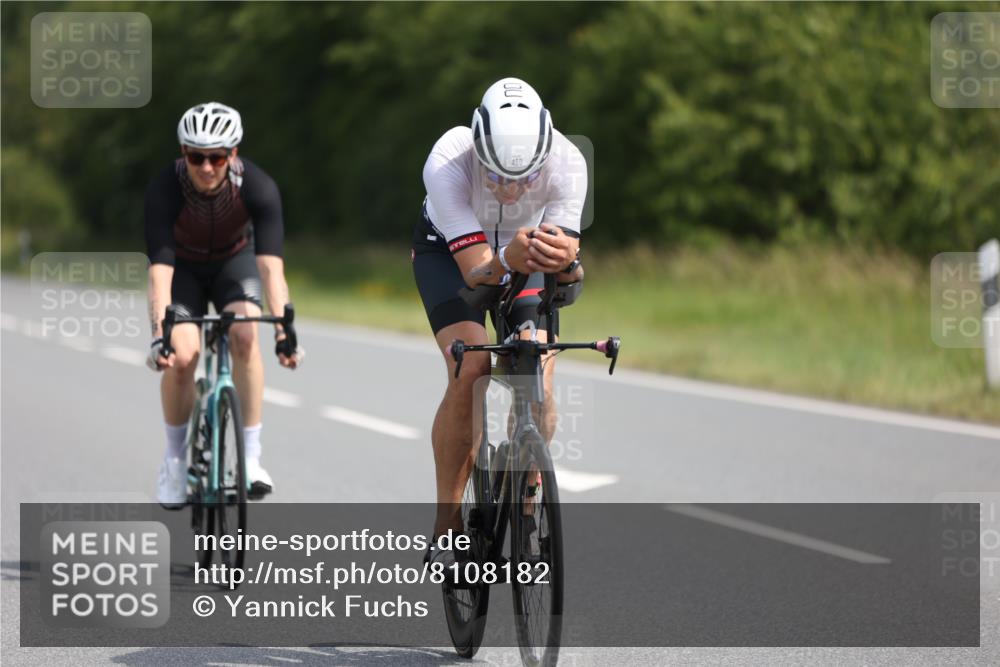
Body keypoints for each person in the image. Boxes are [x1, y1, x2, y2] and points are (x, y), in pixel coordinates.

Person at [413, 78, 587, 563]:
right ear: (478, 147)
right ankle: (447, 526)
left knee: (537, 369)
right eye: (497, 176)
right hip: (450, 257)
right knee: (471, 368)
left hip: (526, 255)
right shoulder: (447, 160)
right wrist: (510, 258)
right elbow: (477, 274)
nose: (511, 191)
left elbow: (564, 264)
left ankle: (528, 498)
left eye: (526, 178)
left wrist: (569, 262)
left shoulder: (569, 162)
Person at [144, 102, 302, 508]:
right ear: (184, 153)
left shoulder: (257, 186)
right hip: (184, 270)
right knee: (183, 356)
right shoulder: (165, 188)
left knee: (246, 336)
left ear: (233, 154)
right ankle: (175, 461)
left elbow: (271, 269)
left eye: (216, 156)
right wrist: (159, 336)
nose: (207, 166)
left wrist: (284, 330)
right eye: (196, 156)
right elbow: (159, 272)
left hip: (235, 262)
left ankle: (250, 459)